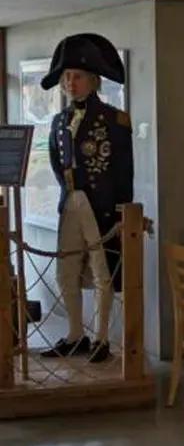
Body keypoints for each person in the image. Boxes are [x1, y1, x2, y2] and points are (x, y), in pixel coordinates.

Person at [40, 34, 132, 364]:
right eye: (66, 76)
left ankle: (101, 338)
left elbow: (123, 170)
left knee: (101, 271)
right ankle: (75, 334)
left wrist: (123, 212)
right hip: (72, 201)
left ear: (94, 80)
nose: (70, 82)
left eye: (77, 76)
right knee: (65, 271)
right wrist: (68, 192)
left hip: (102, 205)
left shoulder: (114, 120)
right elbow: (56, 161)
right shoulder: (58, 120)